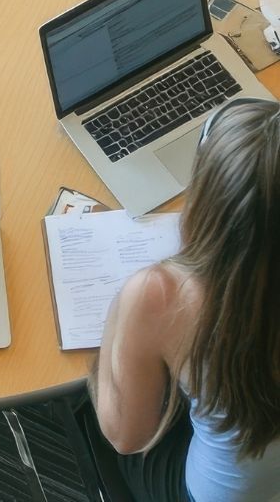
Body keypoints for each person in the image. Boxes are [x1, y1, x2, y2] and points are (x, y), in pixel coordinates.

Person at [90, 96, 280, 501]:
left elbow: (127, 436)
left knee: (86, 408)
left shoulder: (162, 294)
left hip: (224, 493)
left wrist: (124, 312)